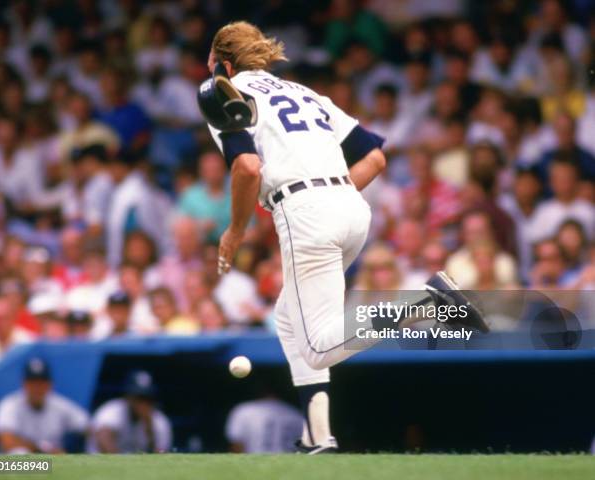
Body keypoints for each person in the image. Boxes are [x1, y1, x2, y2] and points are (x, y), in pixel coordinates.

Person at [198, 21, 486, 453]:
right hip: (350, 205)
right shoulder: (305, 92)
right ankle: (318, 436)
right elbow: (374, 156)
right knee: (288, 319)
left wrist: (236, 229)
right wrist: (330, 196)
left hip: (305, 211)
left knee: (317, 347)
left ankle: (426, 301)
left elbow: (248, 168)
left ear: (222, 62)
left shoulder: (223, 92)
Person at [0, 357, 89, 453]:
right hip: (16, 465)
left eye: (41, 383)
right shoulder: (10, 405)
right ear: (24, 384)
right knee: (19, 452)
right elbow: (7, 441)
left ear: (49, 384)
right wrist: (42, 449)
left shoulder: (59, 405)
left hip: (54, 462)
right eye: (32, 383)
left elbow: (87, 426)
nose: (36, 388)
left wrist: (71, 448)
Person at [88, 370, 172, 453]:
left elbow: (161, 454)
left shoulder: (160, 421)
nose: (143, 403)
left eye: (147, 398)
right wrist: (120, 465)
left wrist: (149, 428)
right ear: (128, 396)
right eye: (139, 397)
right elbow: (103, 438)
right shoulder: (111, 410)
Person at [226, 394, 303, 453]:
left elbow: (237, 445)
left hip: (254, 463)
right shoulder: (295, 412)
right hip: (288, 464)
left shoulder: (245, 410)